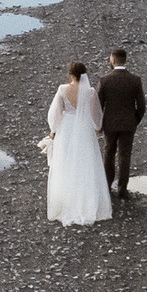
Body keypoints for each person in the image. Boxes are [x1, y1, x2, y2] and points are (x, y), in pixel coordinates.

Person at [40, 61, 113, 226]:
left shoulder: (62, 89)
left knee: (66, 162)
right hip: (84, 128)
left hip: (67, 128)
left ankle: (66, 199)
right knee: (85, 162)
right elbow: (96, 115)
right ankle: (86, 199)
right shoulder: (90, 92)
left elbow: (55, 112)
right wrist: (97, 127)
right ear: (84, 74)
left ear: (71, 74)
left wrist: (53, 130)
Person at [96, 48, 147, 198]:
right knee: (125, 156)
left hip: (110, 124)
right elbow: (141, 106)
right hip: (128, 124)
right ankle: (122, 189)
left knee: (109, 153)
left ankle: (107, 186)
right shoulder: (135, 80)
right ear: (125, 60)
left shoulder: (104, 80)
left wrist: (99, 124)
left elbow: (99, 106)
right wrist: (135, 121)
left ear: (113, 60)